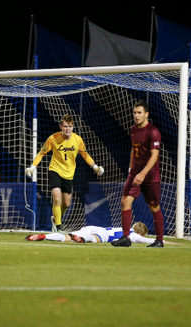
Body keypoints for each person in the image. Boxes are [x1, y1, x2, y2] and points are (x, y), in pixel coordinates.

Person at [25, 114, 104, 233]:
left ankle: (56, 219)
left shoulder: (77, 140)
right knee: (57, 199)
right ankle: (58, 227)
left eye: (70, 126)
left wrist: (95, 167)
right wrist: (32, 167)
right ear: (61, 126)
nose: (68, 129)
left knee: (67, 203)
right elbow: (41, 153)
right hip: (55, 170)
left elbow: (85, 155)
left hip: (68, 174)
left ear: (73, 127)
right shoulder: (53, 138)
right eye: (65, 126)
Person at [112, 100, 165, 248]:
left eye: (139, 112)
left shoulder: (153, 132)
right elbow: (133, 148)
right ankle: (126, 238)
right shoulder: (133, 129)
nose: (136, 115)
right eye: (135, 112)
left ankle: (159, 240)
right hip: (135, 174)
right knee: (125, 202)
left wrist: (142, 174)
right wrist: (131, 168)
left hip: (150, 176)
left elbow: (154, 156)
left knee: (154, 207)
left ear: (146, 114)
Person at [25, 222, 180, 245]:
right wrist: (172, 242)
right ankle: (82, 239)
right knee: (94, 240)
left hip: (93, 226)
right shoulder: (133, 235)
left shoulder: (123, 226)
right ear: (141, 233)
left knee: (66, 236)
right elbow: (150, 242)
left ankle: (45, 236)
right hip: (101, 234)